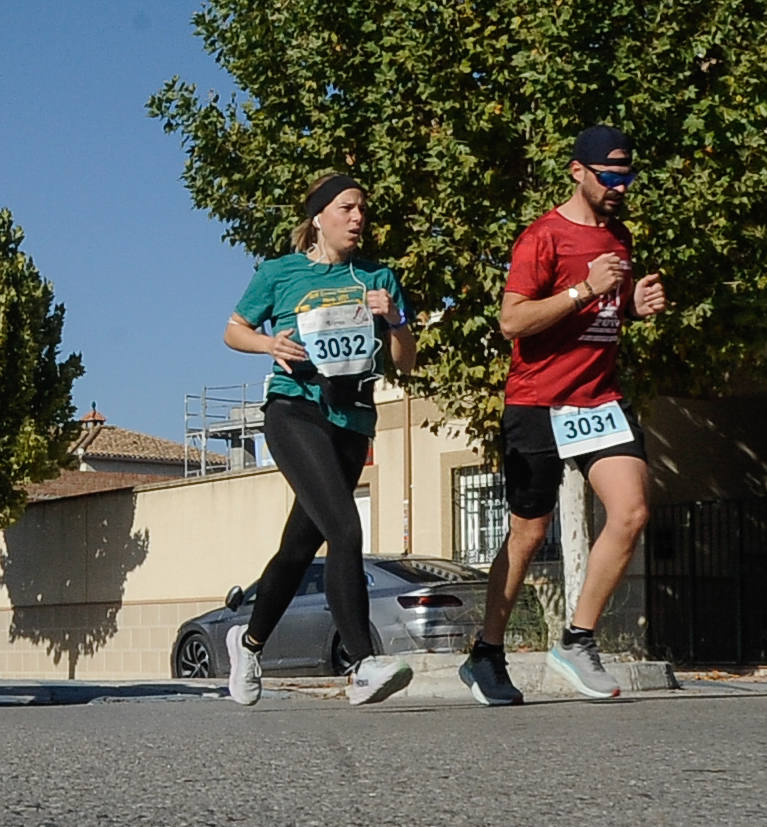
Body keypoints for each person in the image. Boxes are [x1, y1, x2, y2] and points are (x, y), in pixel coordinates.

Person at [460, 125, 667, 706]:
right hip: (538, 403)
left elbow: (609, 309)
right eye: (610, 175)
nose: (621, 186)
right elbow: (512, 322)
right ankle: (487, 653)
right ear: (578, 171)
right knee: (530, 533)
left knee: (631, 511)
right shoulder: (542, 238)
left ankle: (577, 640)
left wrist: (633, 305)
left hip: (600, 399)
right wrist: (582, 290)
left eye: (628, 175)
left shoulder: (619, 236)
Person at [222, 173, 418, 706]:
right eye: (347, 208)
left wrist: (394, 319)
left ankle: (249, 639)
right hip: (293, 409)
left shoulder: (378, 278)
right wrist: (269, 342)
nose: (358, 218)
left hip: (351, 421)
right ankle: (362, 664)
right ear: (319, 217)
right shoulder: (280, 273)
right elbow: (233, 329)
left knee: (298, 546)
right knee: (345, 528)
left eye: (363, 210)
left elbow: (406, 361)